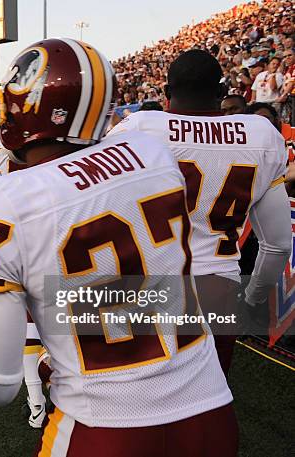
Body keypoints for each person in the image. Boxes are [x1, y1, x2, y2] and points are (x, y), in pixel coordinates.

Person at [0, 38, 238, 456]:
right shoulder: (152, 153)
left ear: (33, 104)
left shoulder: (0, 203)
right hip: (210, 414)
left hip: (103, 425)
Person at [109, 49, 291, 376]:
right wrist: (250, 298)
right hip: (219, 287)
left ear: (166, 92)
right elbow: (278, 244)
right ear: (221, 93)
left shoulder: (139, 127)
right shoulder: (261, 136)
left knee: (141, 396)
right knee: (209, 399)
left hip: (149, 285)